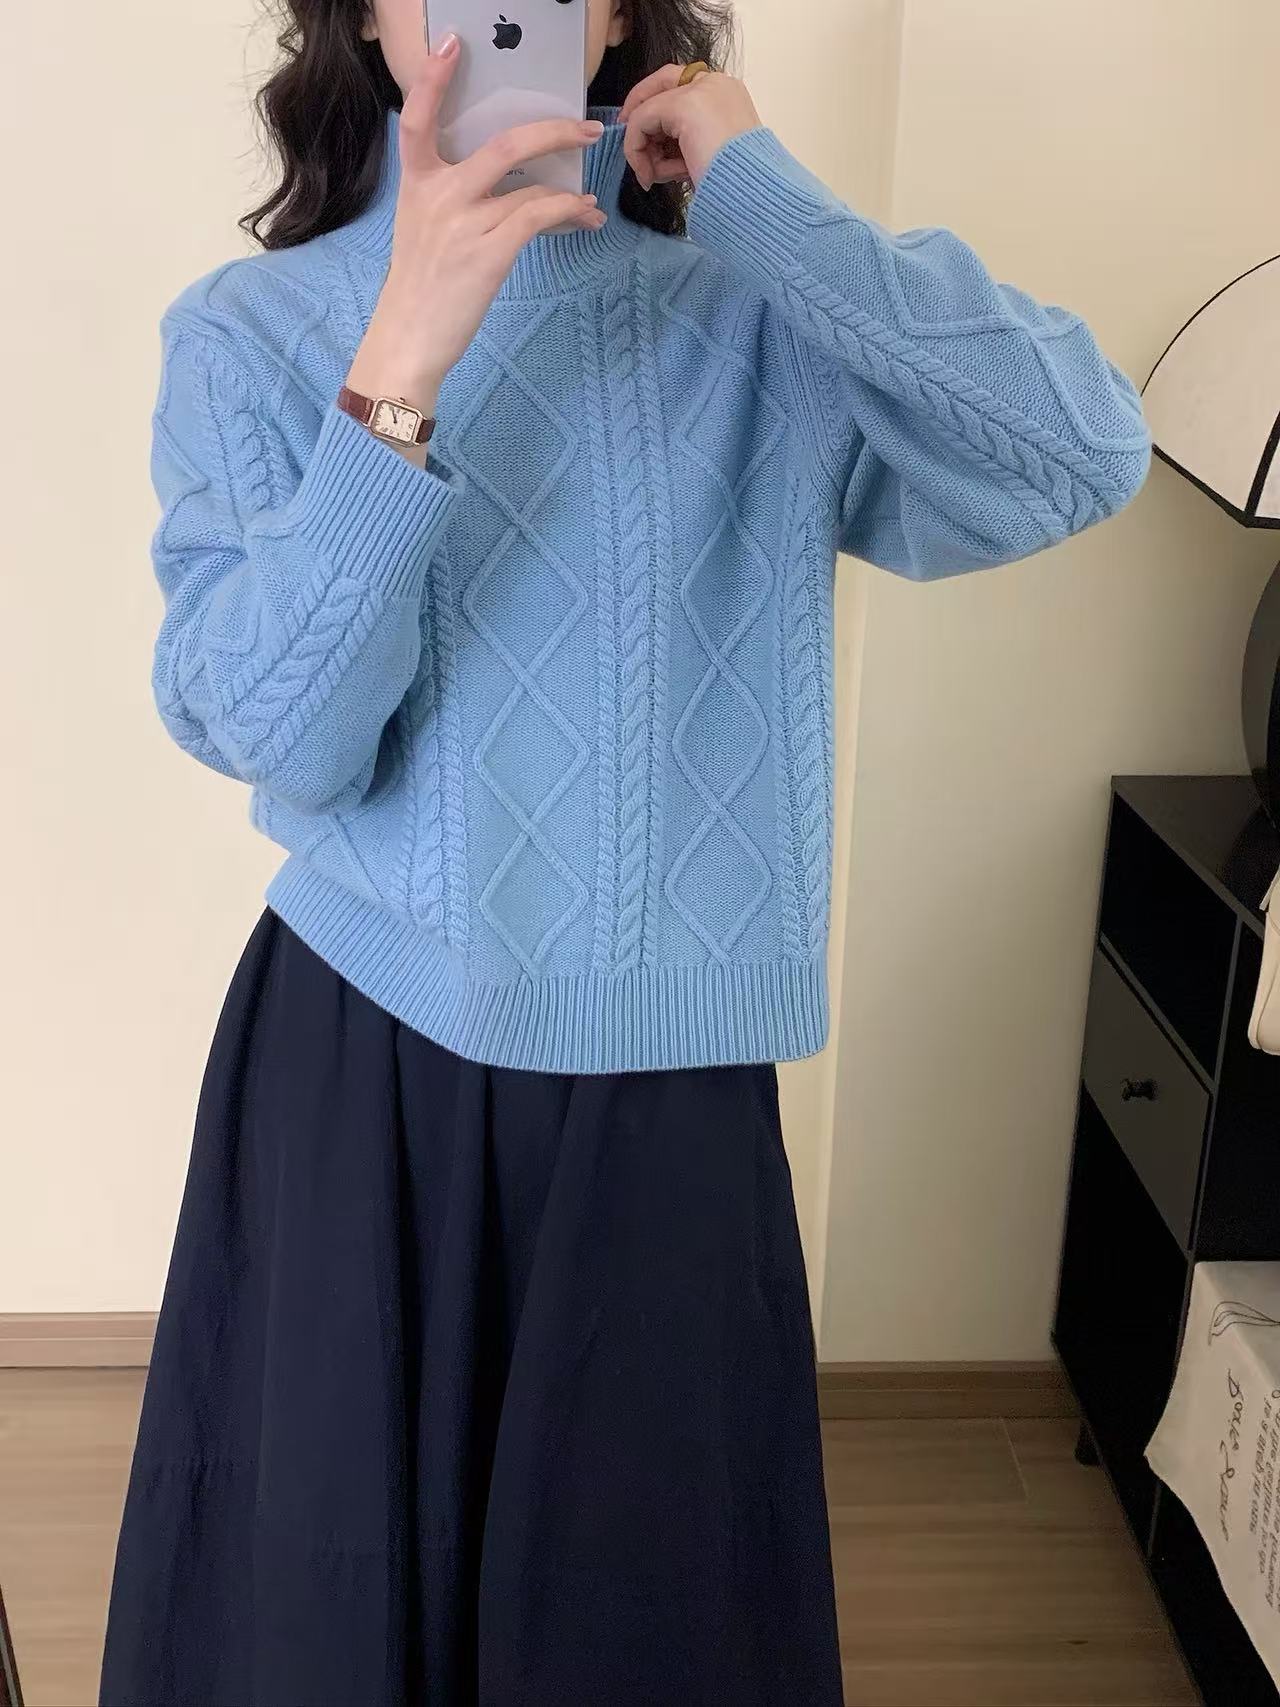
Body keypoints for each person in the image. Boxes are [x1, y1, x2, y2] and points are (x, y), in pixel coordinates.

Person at [98, 0, 1152, 1701]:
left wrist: (761, 197)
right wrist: (402, 360)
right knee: (324, 1624)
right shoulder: (249, 332)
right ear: (358, 15)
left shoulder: (750, 313)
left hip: (668, 1087)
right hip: (361, 1066)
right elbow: (277, 736)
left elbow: (1083, 454)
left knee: (647, 1629)